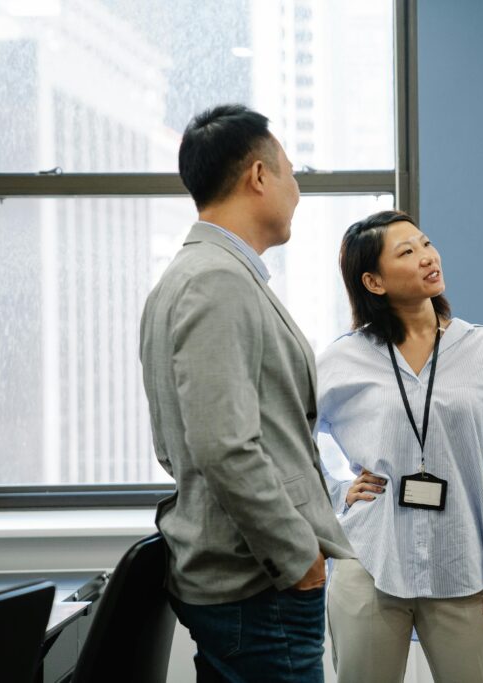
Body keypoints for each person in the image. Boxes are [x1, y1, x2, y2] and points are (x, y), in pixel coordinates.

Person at [140, 104, 353, 682]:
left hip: (245, 577)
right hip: (259, 581)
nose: (299, 192)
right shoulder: (216, 280)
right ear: (259, 177)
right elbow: (222, 444)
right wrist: (297, 557)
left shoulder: (195, 275)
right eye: (290, 173)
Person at [315, 210, 483, 683]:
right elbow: (290, 437)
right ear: (373, 282)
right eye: (407, 252)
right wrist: (337, 492)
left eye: (426, 244)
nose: (427, 257)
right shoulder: (343, 358)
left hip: (462, 565)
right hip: (370, 560)